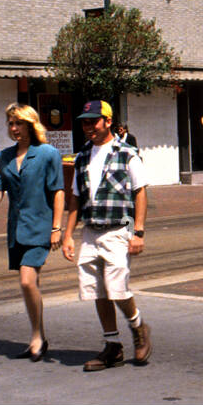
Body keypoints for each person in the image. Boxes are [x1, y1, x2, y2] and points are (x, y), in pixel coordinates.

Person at [61, 100, 152, 371]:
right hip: (91, 230)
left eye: (93, 121)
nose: (88, 126)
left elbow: (140, 191)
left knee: (118, 288)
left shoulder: (127, 153)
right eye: (84, 122)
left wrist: (138, 232)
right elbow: (75, 199)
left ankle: (138, 327)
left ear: (108, 122)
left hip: (118, 229)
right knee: (97, 290)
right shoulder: (81, 156)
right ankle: (112, 347)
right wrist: (68, 235)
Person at [0, 104, 64, 362]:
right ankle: (39, 335)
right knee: (31, 283)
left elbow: (58, 191)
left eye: (18, 124)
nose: (14, 129)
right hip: (16, 229)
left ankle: (37, 336)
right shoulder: (5, 156)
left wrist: (56, 227)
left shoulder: (48, 154)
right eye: (10, 124)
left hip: (40, 227)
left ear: (30, 125)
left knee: (26, 281)